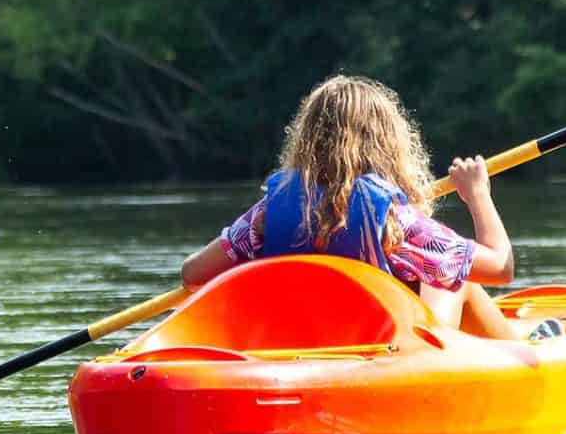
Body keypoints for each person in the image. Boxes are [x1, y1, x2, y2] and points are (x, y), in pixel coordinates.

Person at [178, 74, 528, 340]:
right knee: (453, 280)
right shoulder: (393, 219)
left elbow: (193, 274)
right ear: (386, 144)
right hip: (383, 355)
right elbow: (501, 267)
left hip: (300, 348)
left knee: (442, 273)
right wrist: (477, 193)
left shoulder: (269, 214)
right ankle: (526, 353)